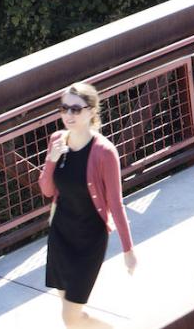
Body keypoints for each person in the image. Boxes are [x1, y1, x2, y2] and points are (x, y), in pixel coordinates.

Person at [39, 83, 136, 327]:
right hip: (61, 234)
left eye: (75, 109)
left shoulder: (104, 152)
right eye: (64, 108)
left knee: (70, 317)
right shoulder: (57, 141)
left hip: (89, 239)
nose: (68, 115)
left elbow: (116, 203)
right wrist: (52, 160)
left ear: (91, 111)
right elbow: (47, 189)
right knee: (73, 316)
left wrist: (128, 249)